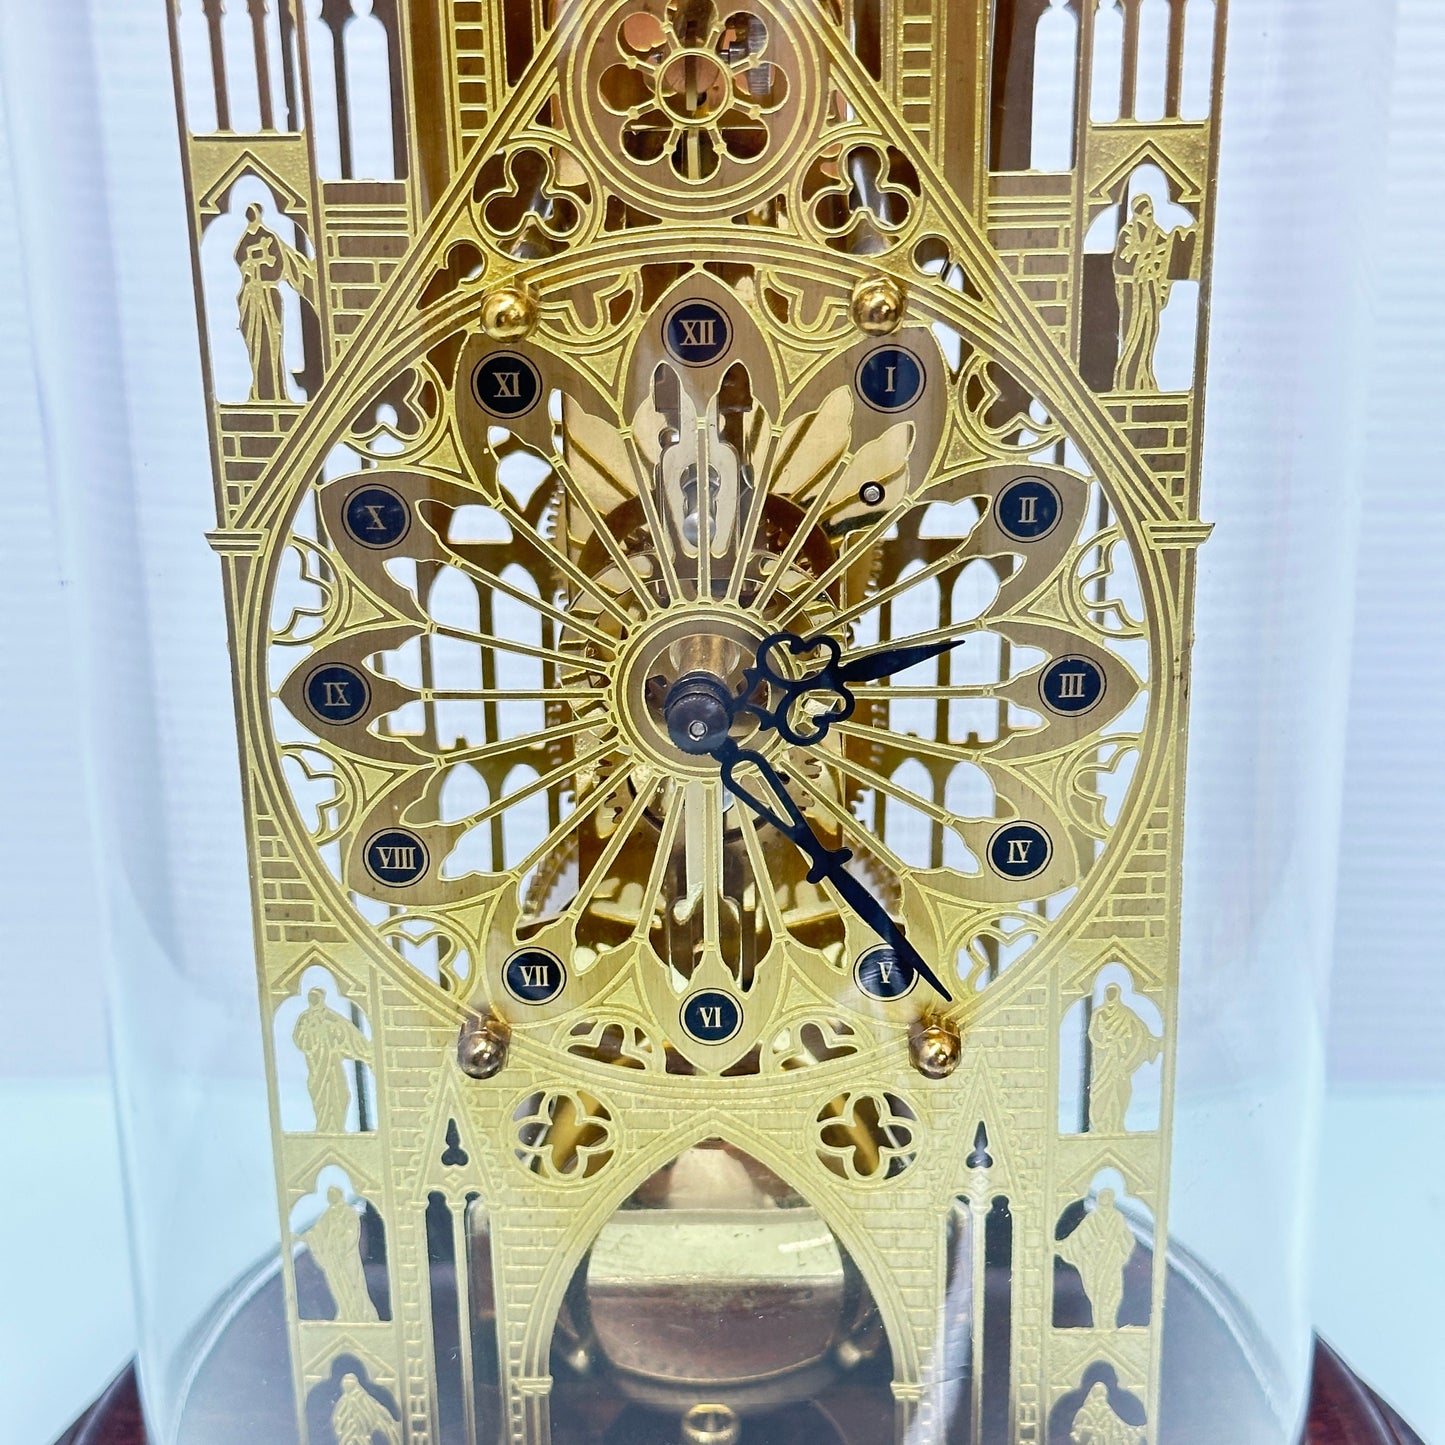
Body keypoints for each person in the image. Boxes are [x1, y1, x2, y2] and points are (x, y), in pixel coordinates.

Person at [234, 202, 314, 402]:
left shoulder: (269, 238)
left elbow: (277, 269)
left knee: (271, 341)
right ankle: (260, 391)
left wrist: (260, 268)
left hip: (268, 296)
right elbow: (240, 260)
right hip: (252, 297)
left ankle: (275, 392)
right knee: (256, 344)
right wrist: (251, 269)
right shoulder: (245, 240)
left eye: (254, 212)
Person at [1113, 194, 1188, 391]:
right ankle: (1127, 380)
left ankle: (1144, 378)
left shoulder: (1156, 233)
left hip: (1150, 289)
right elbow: (1120, 263)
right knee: (1133, 332)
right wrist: (1142, 258)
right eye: (1144, 212)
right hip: (1132, 291)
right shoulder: (1128, 234)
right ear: (1136, 214)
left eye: (1150, 212)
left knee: (1150, 330)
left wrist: (1178, 239)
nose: (1148, 216)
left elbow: (1168, 246)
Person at [293, 987, 372, 1132]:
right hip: (316, 1066)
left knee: (341, 1094)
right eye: (311, 997)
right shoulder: (305, 1018)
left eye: (316, 997)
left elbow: (346, 1034)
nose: (314, 1000)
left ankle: (337, 1128)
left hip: (332, 1064)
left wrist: (332, 1031)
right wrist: (312, 1033)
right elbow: (299, 1039)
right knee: (321, 1096)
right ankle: (324, 1128)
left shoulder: (331, 1017)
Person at [1055, 1188, 1136, 1329]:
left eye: (1107, 1200)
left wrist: (1118, 1252)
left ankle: (1109, 1324)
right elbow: (1078, 1239)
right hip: (1095, 1263)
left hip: (1111, 1261)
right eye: (1102, 1200)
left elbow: (1127, 1239)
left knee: (1113, 1293)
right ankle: (1100, 1325)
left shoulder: (1117, 1218)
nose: (1104, 1203)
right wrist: (1062, 1247)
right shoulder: (1091, 1219)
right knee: (1096, 1293)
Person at [1088, 983, 1162, 1132]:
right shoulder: (1098, 1013)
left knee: (1122, 1090)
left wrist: (1153, 1043)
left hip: (1120, 1062)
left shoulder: (1126, 1014)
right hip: (1103, 1063)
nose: (1110, 996)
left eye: (1113, 993)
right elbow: (1094, 1034)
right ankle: (1100, 1124)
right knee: (1100, 1090)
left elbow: (1139, 1033)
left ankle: (1117, 1123)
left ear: (1118, 994)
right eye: (1108, 993)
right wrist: (1107, 1040)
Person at [307, 1186, 378, 1322]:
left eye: (333, 1195)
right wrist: (311, 1236)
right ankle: (347, 1313)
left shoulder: (348, 1213)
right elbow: (318, 1231)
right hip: (335, 1258)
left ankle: (361, 1314)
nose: (332, 1198)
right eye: (330, 1195)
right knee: (339, 1286)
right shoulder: (327, 1214)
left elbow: (352, 1231)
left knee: (353, 1285)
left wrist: (340, 1237)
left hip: (347, 1256)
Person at [330, 1372, 401, 1445]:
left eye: (350, 1381)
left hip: (361, 1435)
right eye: (345, 1382)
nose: (347, 1384)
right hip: (347, 1436)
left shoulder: (363, 1398)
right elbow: (336, 1418)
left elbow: (373, 1413)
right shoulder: (343, 1400)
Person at [1070, 1381, 1146, 1445]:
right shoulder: (1084, 1412)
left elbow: (1119, 1426)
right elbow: (1076, 1431)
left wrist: (1136, 1430)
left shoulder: (1106, 1410)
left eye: (1102, 1396)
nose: (1101, 1400)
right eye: (1100, 1396)